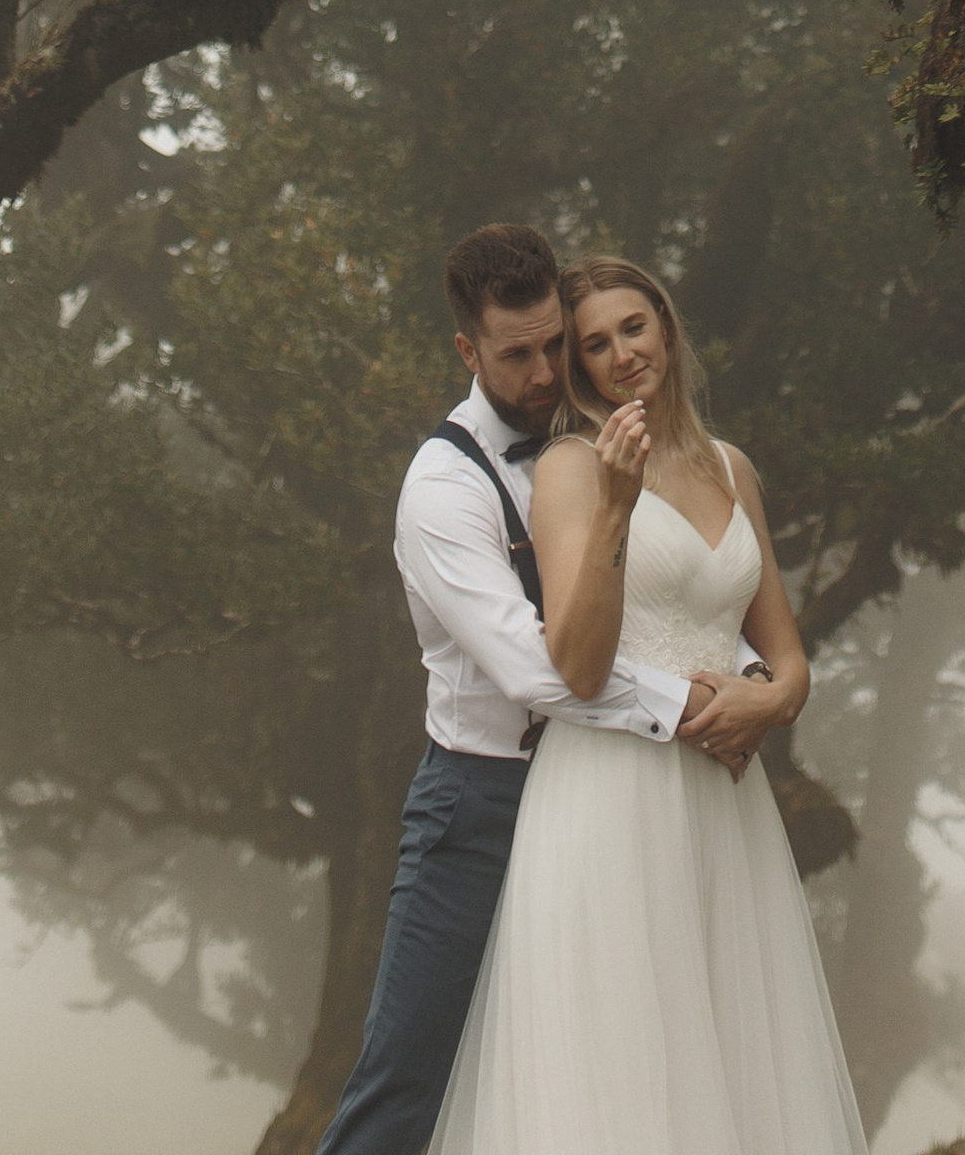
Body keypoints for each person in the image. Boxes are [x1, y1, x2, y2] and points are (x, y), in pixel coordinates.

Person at [316, 224, 750, 1155]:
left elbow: (678, 595)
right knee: (406, 1084)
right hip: (480, 809)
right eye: (520, 354)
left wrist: (750, 674)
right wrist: (697, 710)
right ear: (469, 351)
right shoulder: (442, 489)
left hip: (608, 802)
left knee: (602, 1077)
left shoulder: (618, 444)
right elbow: (535, 671)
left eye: (559, 342)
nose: (550, 370)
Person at [424, 252, 869, 1155]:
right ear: (580, 367)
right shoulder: (569, 469)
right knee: (624, 1074)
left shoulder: (734, 469)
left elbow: (786, 657)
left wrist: (767, 704)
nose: (622, 353)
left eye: (634, 326)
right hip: (613, 798)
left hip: (726, 805)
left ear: (664, 324)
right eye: (594, 344)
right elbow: (577, 667)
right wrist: (620, 506)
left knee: (739, 1062)